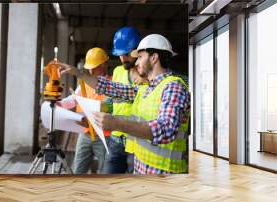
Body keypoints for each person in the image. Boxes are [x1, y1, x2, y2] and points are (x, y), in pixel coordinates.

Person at [58, 34, 190, 174]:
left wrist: (117, 124)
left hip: (163, 176)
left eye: (140, 57)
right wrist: (79, 73)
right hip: (142, 169)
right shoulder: (145, 88)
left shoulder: (173, 87)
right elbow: (112, 88)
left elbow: (166, 130)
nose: (136, 62)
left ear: (154, 58)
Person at [57, 47, 111, 174]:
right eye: (89, 67)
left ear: (103, 65)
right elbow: (74, 99)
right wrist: (60, 104)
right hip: (85, 134)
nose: (91, 70)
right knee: (78, 171)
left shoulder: (112, 84)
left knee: (105, 172)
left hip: (104, 136)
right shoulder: (85, 82)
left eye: (94, 66)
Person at [104, 27, 146, 174]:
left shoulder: (146, 74)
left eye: (127, 54)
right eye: (120, 54)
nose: (123, 58)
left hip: (134, 139)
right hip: (115, 138)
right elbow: (112, 101)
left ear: (137, 51)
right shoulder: (117, 71)